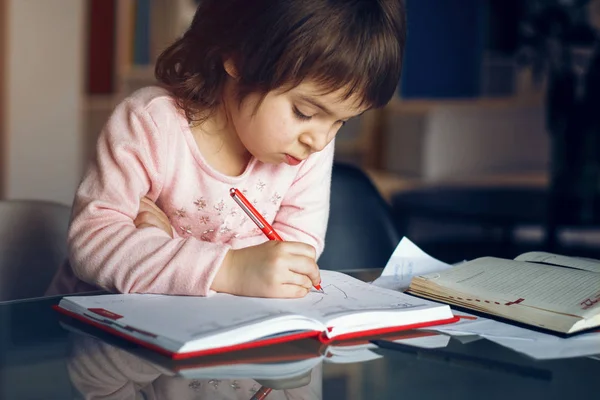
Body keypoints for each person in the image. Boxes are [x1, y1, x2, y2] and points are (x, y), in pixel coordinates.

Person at [48, 0, 407, 299]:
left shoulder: (305, 148)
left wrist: (165, 244)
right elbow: (92, 245)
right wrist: (231, 269)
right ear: (238, 58)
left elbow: (292, 263)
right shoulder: (151, 125)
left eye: (341, 122)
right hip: (92, 340)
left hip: (214, 342)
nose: (321, 140)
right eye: (305, 112)